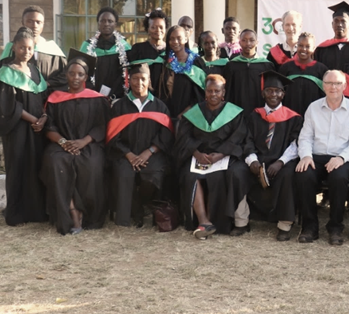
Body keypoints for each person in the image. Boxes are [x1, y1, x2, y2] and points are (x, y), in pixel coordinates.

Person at [41, 50, 109, 235]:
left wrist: (83, 142)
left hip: (88, 144)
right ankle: (71, 212)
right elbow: (49, 128)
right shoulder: (55, 98)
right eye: (71, 73)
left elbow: (102, 127)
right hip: (61, 145)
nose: (75, 77)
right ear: (66, 75)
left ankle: (88, 214)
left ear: (86, 76)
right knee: (56, 163)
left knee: (92, 164)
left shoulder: (97, 99)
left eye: (80, 74)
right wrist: (63, 142)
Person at [294, 69, 349, 246]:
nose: (333, 87)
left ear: (345, 86)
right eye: (329, 83)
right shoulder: (313, 107)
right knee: (304, 175)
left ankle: (335, 227)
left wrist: (341, 158)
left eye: (338, 83)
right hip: (316, 156)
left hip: (343, 158)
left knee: (339, 178)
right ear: (323, 85)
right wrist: (306, 156)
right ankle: (310, 227)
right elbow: (305, 137)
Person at [174, 74, 250, 238]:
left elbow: (238, 137)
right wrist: (196, 153)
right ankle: (204, 221)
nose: (213, 94)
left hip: (223, 157)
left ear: (223, 93)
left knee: (218, 176)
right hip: (197, 156)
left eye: (217, 91)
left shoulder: (234, 113)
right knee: (190, 175)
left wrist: (221, 154)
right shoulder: (194, 112)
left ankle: (220, 223)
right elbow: (184, 137)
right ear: (205, 92)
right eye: (209, 91)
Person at [0, 27, 48, 226]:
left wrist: (44, 118)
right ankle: (16, 213)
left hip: (37, 130)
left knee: (35, 167)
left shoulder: (35, 71)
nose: (26, 51)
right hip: (17, 130)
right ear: (14, 47)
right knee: (18, 167)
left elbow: (44, 98)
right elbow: (8, 106)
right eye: (22, 47)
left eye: (30, 48)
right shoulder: (5, 73)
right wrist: (34, 120)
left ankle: (36, 211)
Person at [106, 63, 174, 228]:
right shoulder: (120, 106)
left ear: (149, 80)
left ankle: (142, 206)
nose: (139, 83)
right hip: (124, 154)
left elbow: (166, 134)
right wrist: (128, 154)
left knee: (152, 176)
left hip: (152, 154)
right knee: (124, 174)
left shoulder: (159, 106)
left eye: (143, 79)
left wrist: (149, 151)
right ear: (129, 81)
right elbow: (113, 135)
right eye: (135, 79)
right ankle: (131, 214)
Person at [239, 71, 303, 241]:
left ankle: (284, 224)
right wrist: (252, 160)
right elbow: (247, 140)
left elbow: (296, 144)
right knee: (236, 172)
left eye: (277, 91)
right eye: (269, 90)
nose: (273, 94)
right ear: (263, 93)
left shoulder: (294, 118)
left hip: (281, 160)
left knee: (288, 174)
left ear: (283, 94)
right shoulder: (254, 115)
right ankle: (241, 221)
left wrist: (281, 162)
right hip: (258, 159)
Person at [0, 6, 67, 89]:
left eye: (38, 22)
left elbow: (65, 75)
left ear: (43, 24)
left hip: (47, 97)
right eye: (29, 21)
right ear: (22, 23)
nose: (34, 26)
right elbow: (3, 78)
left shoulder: (52, 49)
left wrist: (48, 83)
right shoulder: (12, 48)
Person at [81, 7, 130, 100]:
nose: (106, 24)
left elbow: (128, 74)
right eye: (102, 21)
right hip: (93, 97)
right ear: (98, 23)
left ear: (115, 24)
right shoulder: (87, 47)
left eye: (110, 21)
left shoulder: (124, 47)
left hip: (118, 97)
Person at [160, 25, 208, 119]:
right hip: (167, 113)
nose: (175, 42)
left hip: (191, 115)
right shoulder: (165, 62)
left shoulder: (197, 62)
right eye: (171, 39)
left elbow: (202, 93)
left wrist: (188, 111)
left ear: (186, 39)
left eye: (179, 38)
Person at [225, 28, 273, 114]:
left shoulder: (266, 65)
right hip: (236, 110)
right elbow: (228, 91)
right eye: (244, 40)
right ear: (239, 42)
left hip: (260, 110)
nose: (248, 43)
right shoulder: (232, 65)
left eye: (251, 40)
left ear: (257, 42)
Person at [279, 32, 327, 116]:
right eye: (300, 45)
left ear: (314, 48)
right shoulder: (286, 68)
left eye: (308, 46)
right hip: (289, 116)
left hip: (314, 115)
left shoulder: (321, 69)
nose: (303, 49)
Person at [127, 9, 168, 95]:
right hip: (143, 96)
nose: (158, 30)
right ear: (148, 29)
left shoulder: (170, 51)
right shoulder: (138, 49)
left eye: (161, 27)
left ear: (166, 28)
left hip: (166, 97)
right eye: (153, 27)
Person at [314, 1, 349, 71]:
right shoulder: (322, 49)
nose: (339, 24)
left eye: (343, 21)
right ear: (332, 24)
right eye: (336, 21)